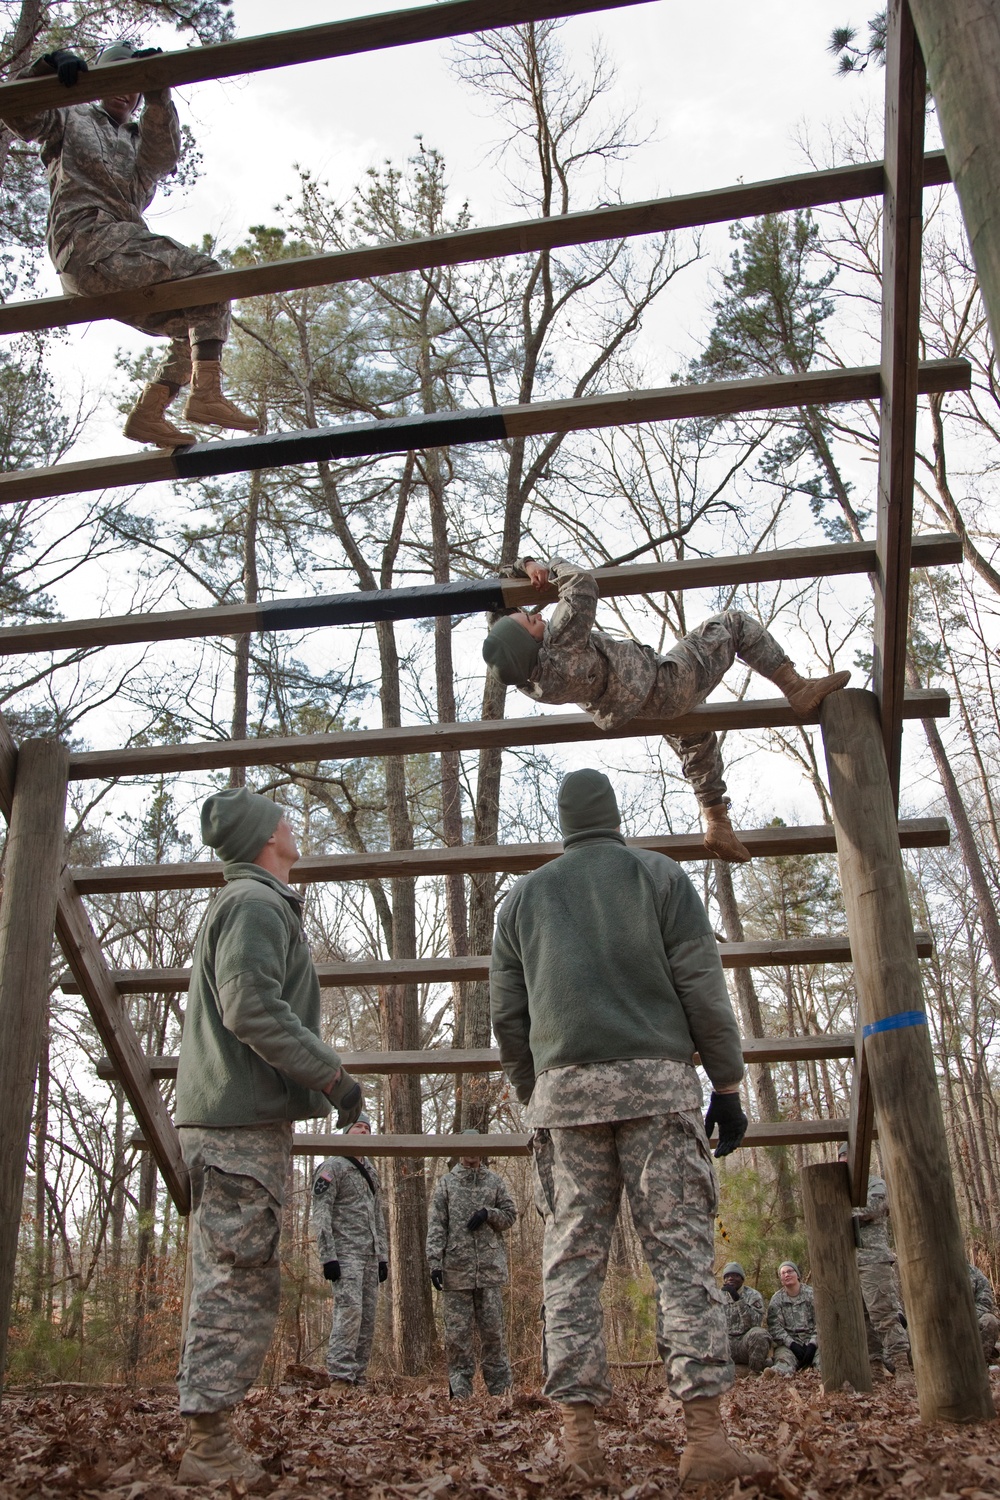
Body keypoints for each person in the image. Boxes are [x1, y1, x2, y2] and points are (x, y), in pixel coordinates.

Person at [490, 767, 772, 1487]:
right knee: (680, 1261)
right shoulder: (661, 879)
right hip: (659, 1091)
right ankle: (705, 1440)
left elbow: (508, 1020)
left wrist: (540, 1094)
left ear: (563, 821)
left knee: (572, 1266)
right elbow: (702, 985)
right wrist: (728, 1084)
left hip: (566, 1101)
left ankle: (580, 1444)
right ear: (614, 816)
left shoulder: (522, 900)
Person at [173, 787, 363, 1485]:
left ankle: (207, 1433)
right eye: (280, 816)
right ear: (262, 837)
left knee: (225, 1276)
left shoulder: (252, 902)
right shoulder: (254, 904)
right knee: (237, 1281)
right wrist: (331, 1077)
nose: (291, 822)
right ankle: (210, 1447)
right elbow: (250, 1005)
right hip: (237, 1127)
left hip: (230, 1121)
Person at [482, 556, 850, 862]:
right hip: (664, 682)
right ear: (533, 642)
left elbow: (500, 621)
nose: (539, 616)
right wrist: (545, 565)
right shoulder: (559, 645)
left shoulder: (529, 677)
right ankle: (796, 688)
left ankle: (717, 819)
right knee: (732, 625)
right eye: (533, 621)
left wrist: (520, 568)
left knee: (696, 737)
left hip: (644, 708)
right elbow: (581, 585)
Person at [6, 40, 257, 448]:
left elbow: (165, 155)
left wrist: (157, 87)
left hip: (118, 253)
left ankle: (150, 412)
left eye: (132, 87)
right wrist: (47, 68)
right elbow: (18, 112)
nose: (125, 93)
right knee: (208, 275)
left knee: (198, 315)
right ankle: (207, 394)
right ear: (100, 82)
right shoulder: (70, 117)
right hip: (86, 240)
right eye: (116, 81)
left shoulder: (140, 141)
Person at [425, 1131, 517, 1399]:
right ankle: (461, 1392)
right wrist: (435, 1263)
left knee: (494, 1335)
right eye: (467, 1147)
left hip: (489, 1271)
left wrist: (489, 1213)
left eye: (477, 1147)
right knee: (457, 1337)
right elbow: (436, 1226)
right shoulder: (446, 1184)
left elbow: (510, 1215)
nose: (472, 1152)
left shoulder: (494, 1181)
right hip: (456, 1270)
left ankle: (501, 1392)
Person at [311, 1112, 388, 1391]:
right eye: (359, 1127)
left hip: (369, 1256)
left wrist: (382, 1257)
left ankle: (358, 1378)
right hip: (345, 1255)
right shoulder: (332, 1167)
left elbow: (377, 1215)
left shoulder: (371, 1170)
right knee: (349, 1312)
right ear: (345, 1132)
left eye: (369, 1128)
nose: (365, 1132)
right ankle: (340, 1378)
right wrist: (327, 1256)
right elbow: (321, 1214)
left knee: (367, 1317)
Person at [837, 1143, 910, 1374]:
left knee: (883, 1314)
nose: (843, 1161)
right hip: (848, 1263)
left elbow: (874, 1207)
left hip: (873, 1259)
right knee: (862, 1318)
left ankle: (902, 1367)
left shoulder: (873, 1182)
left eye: (847, 1157)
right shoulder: (840, 1188)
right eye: (841, 1157)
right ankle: (875, 1368)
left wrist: (840, 1213)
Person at [766, 1262, 818, 1376]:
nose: (786, 1275)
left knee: (823, 1363)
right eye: (783, 1273)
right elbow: (774, 1327)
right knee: (783, 1364)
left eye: (790, 1271)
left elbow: (822, 1322)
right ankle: (773, 1374)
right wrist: (792, 1344)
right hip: (789, 1345)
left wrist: (813, 1344)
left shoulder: (812, 1294)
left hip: (814, 1342)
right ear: (781, 1279)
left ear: (797, 1275)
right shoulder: (776, 1299)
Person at [720, 1263, 770, 1374]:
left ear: (742, 1279)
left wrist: (738, 1300)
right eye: (727, 1276)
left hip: (745, 1344)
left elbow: (754, 1323)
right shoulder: (717, 1296)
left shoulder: (753, 1295)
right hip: (726, 1345)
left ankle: (755, 1373)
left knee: (759, 1334)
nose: (731, 1278)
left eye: (735, 1275)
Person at [968, 1263, 1000, 1365]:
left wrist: (964, 1318)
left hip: (968, 1324)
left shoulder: (975, 1274)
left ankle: (976, 1364)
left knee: (990, 1321)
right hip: (938, 1325)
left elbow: (985, 1304)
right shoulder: (929, 1270)